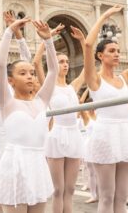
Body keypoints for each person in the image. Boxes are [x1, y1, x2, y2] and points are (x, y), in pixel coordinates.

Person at [83, 4, 128, 213]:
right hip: (105, 134)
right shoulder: (94, 80)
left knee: (122, 197)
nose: (117, 54)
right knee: (107, 196)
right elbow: (87, 44)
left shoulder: (124, 77)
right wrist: (106, 15)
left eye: (118, 51)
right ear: (100, 56)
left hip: (124, 134)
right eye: (112, 51)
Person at [0, 17, 58, 213]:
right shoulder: (6, 102)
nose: (30, 76)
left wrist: (48, 41)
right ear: (10, 80)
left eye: (31, 72)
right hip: (15, 164)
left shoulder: (41, 101)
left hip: (38, 163)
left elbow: (53, 70)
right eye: (23, 73)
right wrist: (9, 32)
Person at [34, 25, 85, 213]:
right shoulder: (48, 86)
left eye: (66, 61)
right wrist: (47, 39)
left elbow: (88, 69)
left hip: (74, 135)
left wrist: (82, 42)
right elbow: (37, 62)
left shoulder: (72, 87)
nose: (65, 64)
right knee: (58, 189)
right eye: (60, 61)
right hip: (56, 135)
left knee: (70, 189)